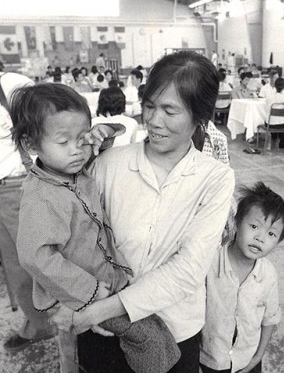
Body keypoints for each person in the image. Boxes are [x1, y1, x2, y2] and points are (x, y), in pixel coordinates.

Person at [51, 50, 235, 373]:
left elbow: (189, 270)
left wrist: (98, 311)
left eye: (169, 110)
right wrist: (76, 163)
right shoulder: (110, 164)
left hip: (173, 332)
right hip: (105, 334)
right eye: (149, 106)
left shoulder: (215, 178)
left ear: (198, 117)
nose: (153, 120)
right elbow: (72, 233)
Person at [11, 83, 180, 373]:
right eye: (64, 142)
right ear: (31, 144)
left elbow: (114, 130)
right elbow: (35, 256)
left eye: (82, 138)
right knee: (139, 340)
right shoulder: (40, 196)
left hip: (107, 280)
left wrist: (103, 132)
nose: (78, 150)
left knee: (151, 333)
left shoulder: (68, 166)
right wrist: (91, 292)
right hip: (83, 294)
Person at [200, 182, 284, 373]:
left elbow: (269, 319)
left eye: (271, 234)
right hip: (208, 360)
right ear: (236, 222)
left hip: (247, 361)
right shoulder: (209, 263)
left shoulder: (268, 275)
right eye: (254, 226)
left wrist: (258, 356)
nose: (260, 238)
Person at [0, 71, 56, 353]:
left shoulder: (11, 84)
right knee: (14, 265)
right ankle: (38, 322)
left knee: (35, 260)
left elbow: (48, 121)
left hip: (15, 185)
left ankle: (52, 323)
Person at [264, 77, 284, 149]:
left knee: (272, 121)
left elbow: (266, 110)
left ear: (275, 86)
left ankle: (274, 137)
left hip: (270, 124)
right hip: (282, 124)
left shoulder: (269, 97)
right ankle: (283, 144)